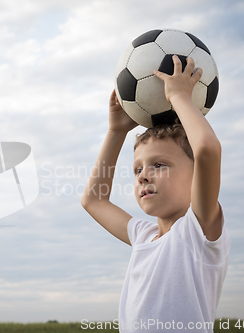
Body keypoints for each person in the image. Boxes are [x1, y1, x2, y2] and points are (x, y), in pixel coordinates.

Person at [81, 55, 230, 333]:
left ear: (197, 174)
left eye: (159, 165)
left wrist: (179, 96)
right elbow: (93, 200)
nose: (143, 175)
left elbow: (208, 149)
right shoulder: (143, 236)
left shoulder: (198, 231)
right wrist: (116, 132)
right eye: (137, 169)